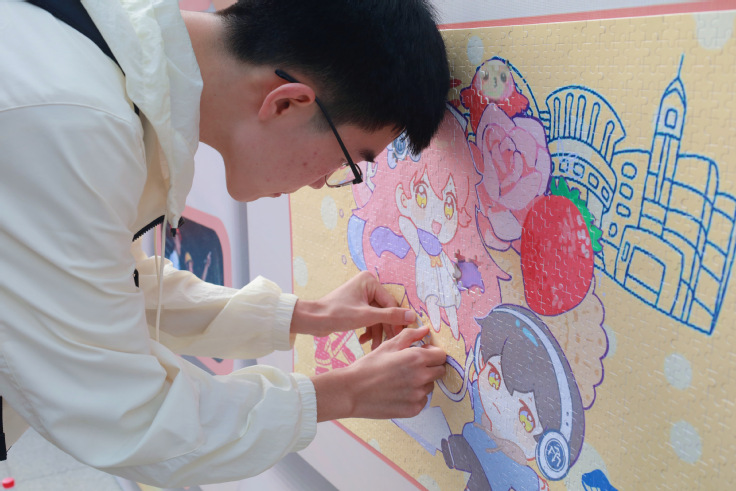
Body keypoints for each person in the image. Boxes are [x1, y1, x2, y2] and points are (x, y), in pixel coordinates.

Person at [0, 0, 450, 487]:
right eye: (347, 160)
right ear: (287, 102)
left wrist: (306, 315)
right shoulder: (75, 123)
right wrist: (344, 393)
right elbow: (122, 413)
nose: (324, 182)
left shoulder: (94, 66)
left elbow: (106, 288)